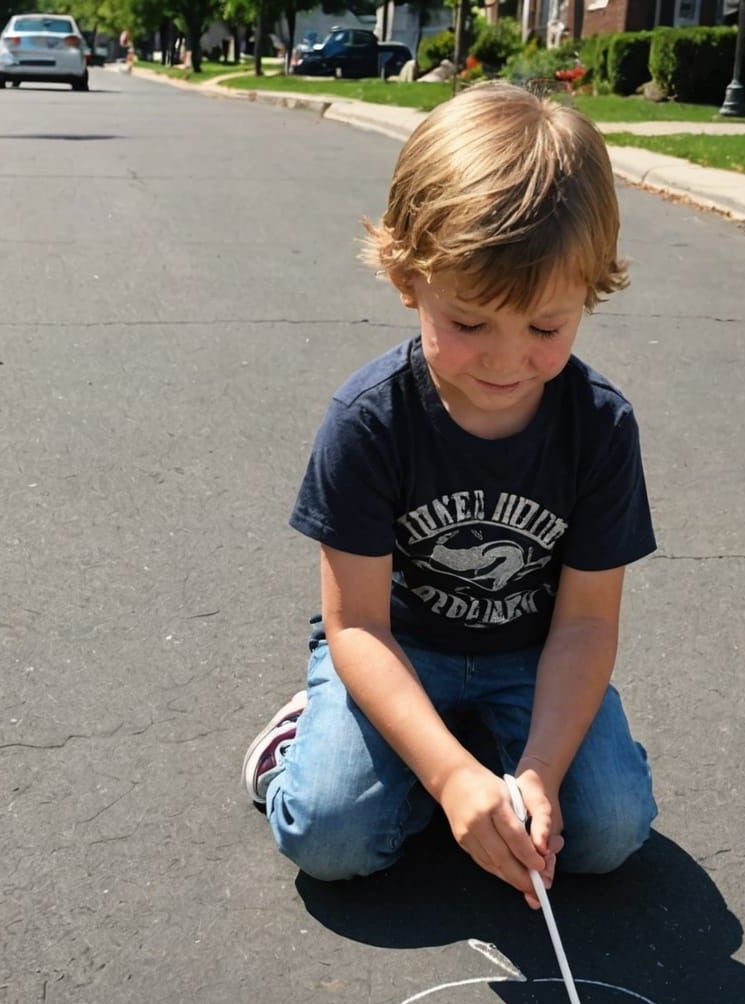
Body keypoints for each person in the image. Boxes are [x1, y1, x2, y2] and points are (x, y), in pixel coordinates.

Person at [242, 82, 657, 909]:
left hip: (531, 660)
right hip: (400, 650)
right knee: (331, 835)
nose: (507, 361)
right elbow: (355, 623)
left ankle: (479, 764)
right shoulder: (371, 420)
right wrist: (450, 777)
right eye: (469, 323)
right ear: (408, 278)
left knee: (607, 832)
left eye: (546, 328)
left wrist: (536, 771)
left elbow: (584, 622)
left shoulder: (599, 428)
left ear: (589, 294)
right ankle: (314, 740)